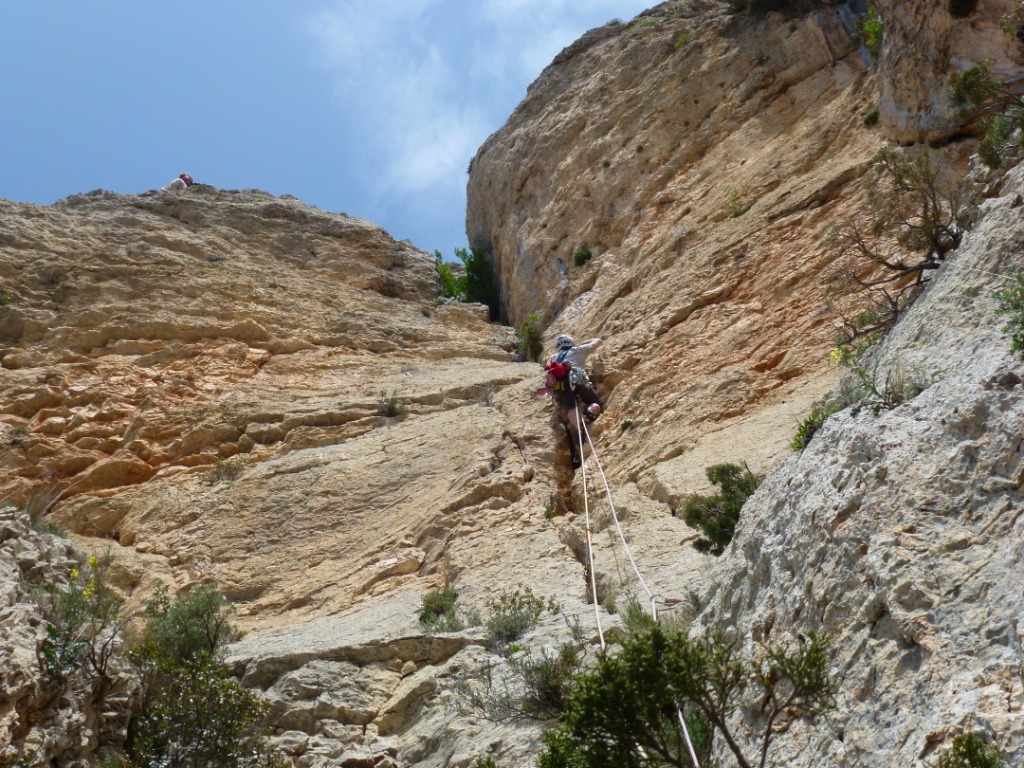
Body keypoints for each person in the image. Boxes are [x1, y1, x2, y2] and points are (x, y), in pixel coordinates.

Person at [541, 334, 603, 470]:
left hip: (561, 389)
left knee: (569, 405)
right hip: (579, 382)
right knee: (595, 404)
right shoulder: (578, 349)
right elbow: (598, 341)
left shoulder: (554, 358)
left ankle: (579, 423)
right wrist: (586, 341)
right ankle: (591, 412)